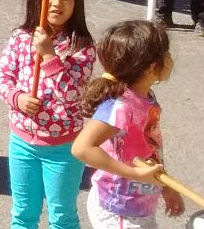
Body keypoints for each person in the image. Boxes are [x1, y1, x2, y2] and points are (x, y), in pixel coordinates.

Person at [0, 0, 95, 229]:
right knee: (23, 213)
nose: (55, 2)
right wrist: (18, 99)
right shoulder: (20, 37)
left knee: (62, 216)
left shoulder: (81, 46)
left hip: (64, 147)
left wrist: (48, 55)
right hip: (22, 142)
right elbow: (1, 78)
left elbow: (73, 95)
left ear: (76, 1)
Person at [73, 20, 185, 227]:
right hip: (119, 209)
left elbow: (150, 148)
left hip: (138, 204)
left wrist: (167, 186)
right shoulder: (121, 107)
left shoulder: (146, 97)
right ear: (153, 68)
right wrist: (133, 173)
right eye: (167, 55)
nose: (170, 59)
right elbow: (82, 148)